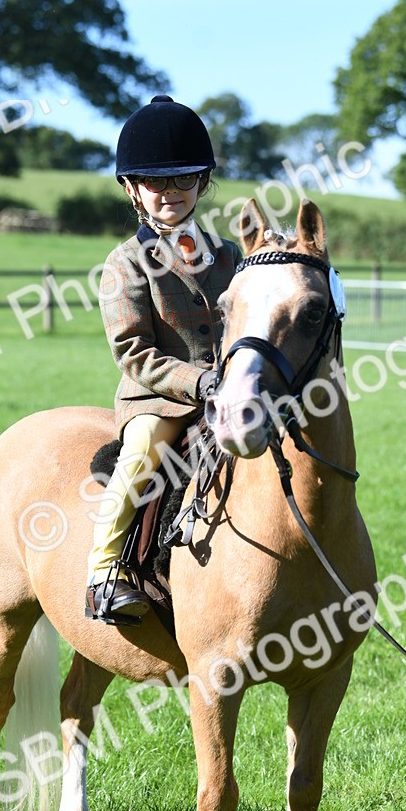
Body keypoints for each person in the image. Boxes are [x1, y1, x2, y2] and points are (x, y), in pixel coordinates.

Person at [85, 94, 242, 624]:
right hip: (160, 399)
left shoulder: (229, 256)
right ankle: (104, 575)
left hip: (236, 387)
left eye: (183, 179)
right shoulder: (125, 262)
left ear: (201, 182)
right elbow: (133, 351)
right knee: (143, 452)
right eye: (156, 182)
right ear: (133, 189)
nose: (170, 193)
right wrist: (200, 382)